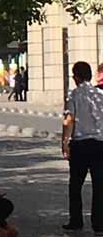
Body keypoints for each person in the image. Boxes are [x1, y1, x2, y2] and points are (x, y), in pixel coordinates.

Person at [63, 60, 103, 233]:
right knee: (99, 186)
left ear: (77, 77)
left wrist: (64, 143)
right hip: (99, 145)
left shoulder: (73, 94)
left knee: (75, 185)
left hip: (80, 145)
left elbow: (69, 120)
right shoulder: (100, 94)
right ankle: (99, 223)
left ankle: (76, 221)